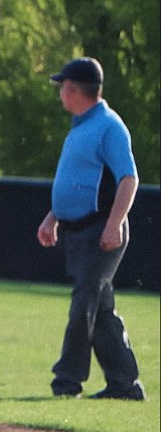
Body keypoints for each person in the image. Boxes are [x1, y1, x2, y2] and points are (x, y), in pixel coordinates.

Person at [37, 57, 145, 401]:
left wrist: (113, 225)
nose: (60, 93)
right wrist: (53, 216)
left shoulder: (109, 126)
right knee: (100, 309)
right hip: (79, 231)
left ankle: (66, 381)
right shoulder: (82, 125)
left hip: (100, 231)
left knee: (84, 302)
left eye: (62, 87)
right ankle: (124, 384)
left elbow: (129, 178)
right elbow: (78, 182)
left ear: (72, 89)